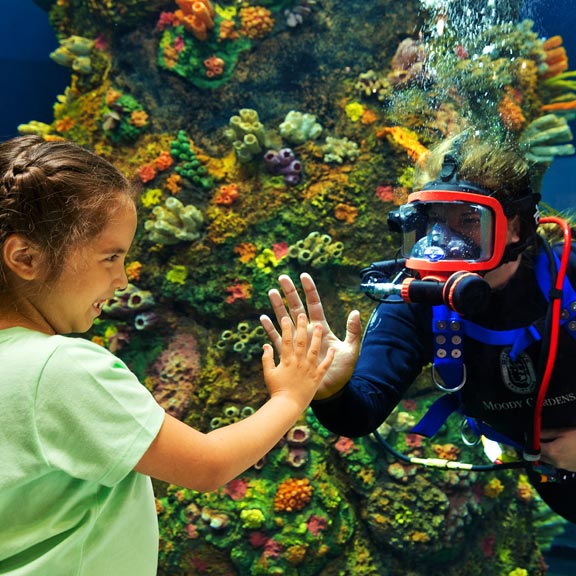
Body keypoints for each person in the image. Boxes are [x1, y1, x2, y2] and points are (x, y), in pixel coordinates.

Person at [0, 135, 334, 575]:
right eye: (110, 257)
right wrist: (291, 396)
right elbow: (208, 465)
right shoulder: (60, 369)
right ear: (26, 257)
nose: (122, 279)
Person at [261, 134, 576, 523]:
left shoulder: (571, 276)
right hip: (557, 481)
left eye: (467, 219)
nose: (446, 241)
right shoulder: (420, 304)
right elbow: (359, 415)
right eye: (435, 221)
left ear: (514, 228)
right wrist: (331, 392)